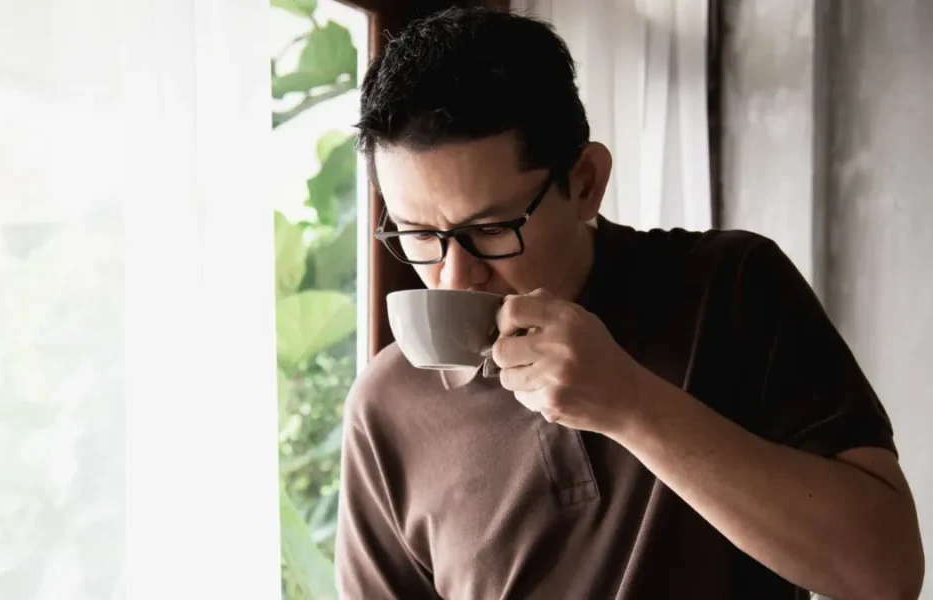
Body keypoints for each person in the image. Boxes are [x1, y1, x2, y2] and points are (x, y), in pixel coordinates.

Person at [334, 7, 925, 599]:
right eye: (418, 235)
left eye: (491, 229)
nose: (454, 275)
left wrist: (630, 403)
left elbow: (886, 573)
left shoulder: (731, 287)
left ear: (586, 182)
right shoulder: (387, 407)